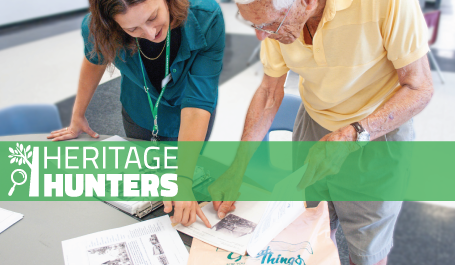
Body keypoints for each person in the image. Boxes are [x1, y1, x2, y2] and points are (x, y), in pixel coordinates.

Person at [210, 0, 433, 264]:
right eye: (254, 24)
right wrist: (237, 168)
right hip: (314, 120)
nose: (261, 35)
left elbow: (420, 88)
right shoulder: (275, 15)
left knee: (366, 251)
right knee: (308, 230)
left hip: (376, 130)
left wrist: (352, 134)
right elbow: (270, 92)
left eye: (269, 25)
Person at [47, 0, 226, 228]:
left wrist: (183, 180)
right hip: (139, 110)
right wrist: (78, 115)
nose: (150, 33)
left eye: (152, 17)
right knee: (143, 194)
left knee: (185, 184)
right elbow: (95, 59)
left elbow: (199, 100)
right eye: (133, 29)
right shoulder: (97, 27)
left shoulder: (205, 16)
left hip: (190, 116)